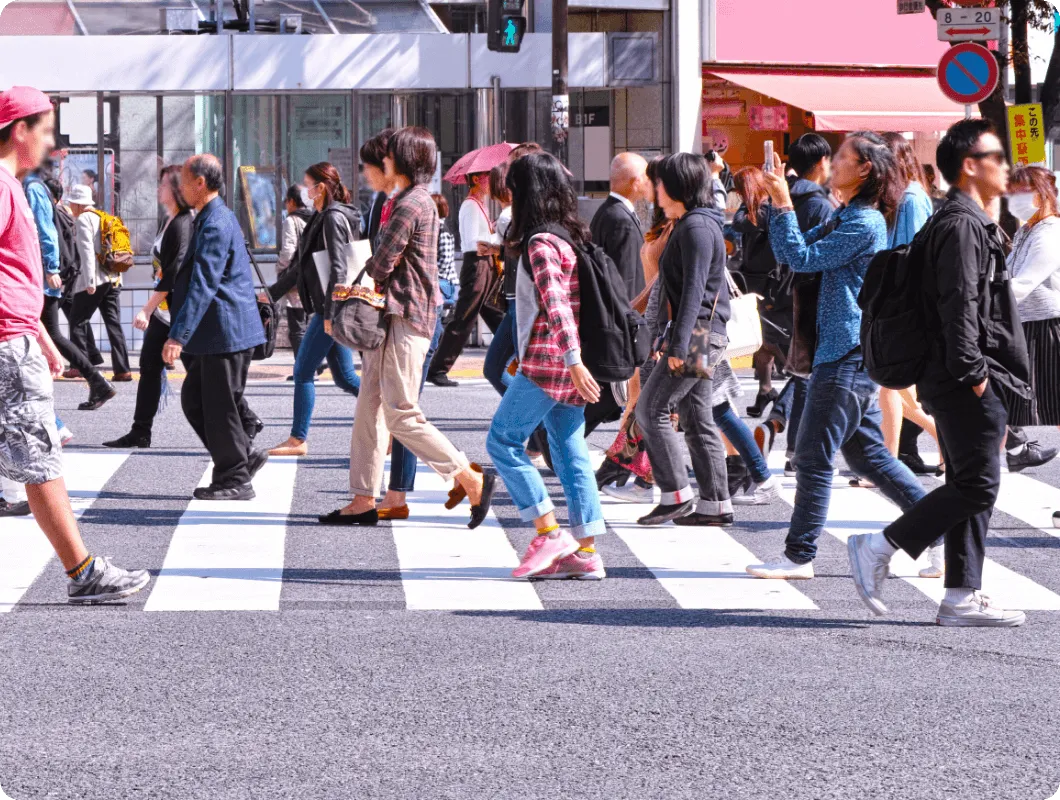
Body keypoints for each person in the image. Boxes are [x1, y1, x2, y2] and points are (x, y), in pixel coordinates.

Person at [847, 120, 1031, 627]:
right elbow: (959, 305)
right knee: (978, 486)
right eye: (998, 156)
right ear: (971, 166)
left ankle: (960, 596)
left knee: (972, 482)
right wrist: (976, 374)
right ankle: (881, 545)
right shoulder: (961, 225)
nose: (1008, 166)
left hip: (955, 374)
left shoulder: (962, 219)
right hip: (963, 376)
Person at [745, 132, 927, 580]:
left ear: (865, 168)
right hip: (841, 350)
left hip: (845, 353)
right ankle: (941, 534)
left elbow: (801, 257)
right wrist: (777, 203)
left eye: (842, 157)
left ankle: (799, 555)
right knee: (869, 458)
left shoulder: (864, 223)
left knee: (811, 456)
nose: (832, 165)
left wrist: (785, 202)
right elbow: (795, 250)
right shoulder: (851, 214)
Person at [0, 85, 149, 603]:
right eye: (44, 131)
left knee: (33, 457)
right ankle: (82, 572)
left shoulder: (12, 185)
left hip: (16, 337)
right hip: (5, 347)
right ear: (20, 130)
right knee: (40, 461)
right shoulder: (2, 186)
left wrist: (40, 334)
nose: (49, 144)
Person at [321, 127, 493, 527]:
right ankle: (363, 498)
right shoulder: (407, 200)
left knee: (400, 413)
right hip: (394, 316)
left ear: (400, 160)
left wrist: (359, 277)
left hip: (406, 317)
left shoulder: (410, 204)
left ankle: (469, 477)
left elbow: (382, 262)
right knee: (369, 408)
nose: (378, 164)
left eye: (386, 157)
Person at [486, 151, 606, 580]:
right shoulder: (572, 234)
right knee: (569, 449)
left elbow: (556, 305)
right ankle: (586, 550)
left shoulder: (540, 242)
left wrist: (572, 361)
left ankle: (548, 531)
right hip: (569, 360)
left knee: (502, 441)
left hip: (549, 360)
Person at [634, 152, 733, 528]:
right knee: (695, 416)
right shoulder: (696, 223)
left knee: (650, 409)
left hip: (698, 336)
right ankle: (716, 504)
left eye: (660, 181)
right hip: (700, 334)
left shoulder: (695, 227)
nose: (656, 188)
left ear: (677, 186)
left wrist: (678, 345)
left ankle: (676, 494)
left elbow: (694, 292)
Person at [162, 154, 269, 501]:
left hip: (225, 331)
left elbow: (203, 283)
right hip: (217, 333)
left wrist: (178, 335)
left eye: (183, 179)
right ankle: (243, 454)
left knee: (218, 407)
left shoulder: (215, 222)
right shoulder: (209, 217)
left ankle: (235, 477)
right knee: (196, 400)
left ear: (200, 183)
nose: (179, 186)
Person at [264, 162, 362, 458]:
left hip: (329, 308)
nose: (305, 190)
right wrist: (271, 294)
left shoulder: (331, 218)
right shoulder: (322, 216)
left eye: (308, 184)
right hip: (330, 305)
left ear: (321, 187)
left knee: (303, 371)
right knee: (345, 377)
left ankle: (297, 439)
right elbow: (300, 268)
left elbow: (338, 267)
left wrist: (332, 314)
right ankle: (391, 422)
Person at [863, 132, 944, 487]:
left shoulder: (911, 199)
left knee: (893, 388)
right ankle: (891, 461)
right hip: (898, 306)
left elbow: (910, 257)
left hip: (905, 308)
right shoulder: (902, 198)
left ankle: (888, 464)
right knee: (892, 390)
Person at [753, 133, 835, 472]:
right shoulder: (820, 205)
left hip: (775, 294)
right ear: (819, 164)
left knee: (805, 371)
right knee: (809, 373)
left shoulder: (779, 198)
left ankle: (781, 431)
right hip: (808, 297)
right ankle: (788, 440)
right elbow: (820, 257)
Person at [102, 166, 195, 449]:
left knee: (200, 371)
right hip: (166, 310)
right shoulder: (169, 220)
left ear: (177, 189)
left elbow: (173, 272)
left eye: (163, 184)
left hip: (180, 311)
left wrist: (146, 308)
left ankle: (244, 418)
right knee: (149, 365)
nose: (158, 189)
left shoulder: (183, 222)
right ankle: (140, 430)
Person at [23, 168, 115, 411]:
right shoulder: (33, 187)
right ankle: (94, 380)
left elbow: (46, 232)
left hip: (44, 278)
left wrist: (52, 269)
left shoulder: (32, 187)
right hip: (44, 277)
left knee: (50, 333)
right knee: (44, 333)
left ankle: (96, 380)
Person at [426, 163, 506, 387]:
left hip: (484, 263)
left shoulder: (478, 205)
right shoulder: (470, 206)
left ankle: (514, 351)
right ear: (477, 179)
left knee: (493, 311)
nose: (491, 182)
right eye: (487, 177)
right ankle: (438, 367)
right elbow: (472, 241)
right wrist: (492, 238)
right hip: (477, 264)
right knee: (465, 316)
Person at [1002, 166, 1060, 465]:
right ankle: (1017, 450)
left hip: (1047, 328)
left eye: (1019, 192)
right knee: (1005, 399)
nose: (1013, 199)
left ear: (1041, 194)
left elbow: (1024, 283)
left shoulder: (1050, 233)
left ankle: (1016, 450)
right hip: (1025, 325)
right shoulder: (1027, 229)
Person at [731, 166, 786, 409]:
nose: (738, 195)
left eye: (740, 190)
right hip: (758, 282)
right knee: (761, 337)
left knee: (769, 336)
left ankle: (800, 375)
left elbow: (738, 222)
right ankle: (764, 389)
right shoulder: (760, 208)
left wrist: (748, 202)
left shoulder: (764, 209)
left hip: (767, 285)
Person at [66, 184, 132, 383]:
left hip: (96, 280)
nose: (70, 207)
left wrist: (90, 282)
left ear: (78, 204)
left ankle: (80, 366)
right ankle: (123, 370)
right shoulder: (104, 216)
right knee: (113, 323)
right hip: (113, 279)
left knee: (77, 321)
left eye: (72, 203)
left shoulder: (84, 219)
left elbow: (87, 253)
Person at [590, 152, 650, 300]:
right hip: (625, 313)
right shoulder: (621, 220)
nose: (649, 183)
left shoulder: (608, 210)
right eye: (646, 178)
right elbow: (625, 278)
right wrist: (629, 318)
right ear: (636, 182)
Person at [277, 184, 314, 367]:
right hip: (313, 279)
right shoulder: (315, 217)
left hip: (295, 280)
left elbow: (288, 251)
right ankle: (312, 362)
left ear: (292, 201)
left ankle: (304, 367)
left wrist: (281, 270)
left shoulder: (292, 220)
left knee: (297, 327)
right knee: (308, 324)